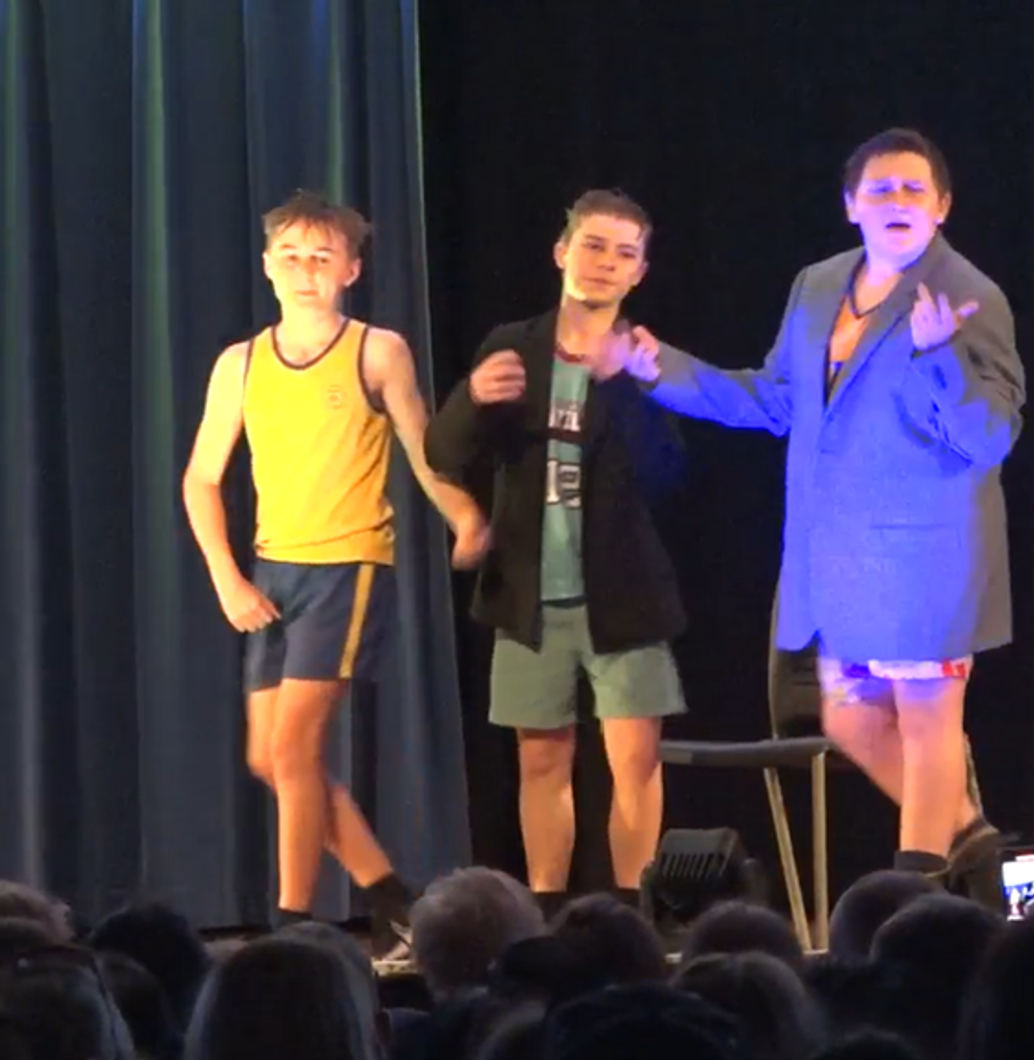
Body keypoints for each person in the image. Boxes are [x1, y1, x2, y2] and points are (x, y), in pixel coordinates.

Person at [621, 129, 1025, 886]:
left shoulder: (969, 294)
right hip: (839, 560)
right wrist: (661, 371)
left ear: (941, 206)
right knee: (847, 718)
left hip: (927, 556)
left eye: (914, 189)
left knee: (928, 721)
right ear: (851, 206)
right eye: (881, 189)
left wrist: (939, 355)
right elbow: (777, 400)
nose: (898, 201)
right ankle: (975, 843)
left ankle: (913, 895)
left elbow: (991, 436)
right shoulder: (818, 285)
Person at [182, 189, 490, 957]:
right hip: (271, 572)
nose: (304, 271)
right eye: (290, 256)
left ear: (350, 269)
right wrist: (227, 577)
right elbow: (201, 479)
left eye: (321, 258)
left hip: (346, 566)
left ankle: (293, 927)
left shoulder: (376, 351)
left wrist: (464, 517)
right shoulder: (241, 363)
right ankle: (395, 902)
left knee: (295, 752)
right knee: (269, 758)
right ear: (266, 265)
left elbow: (422, 448)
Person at [424, 189, 687, 916]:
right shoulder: (513, 345)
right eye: (593, 245)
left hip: (624, 595)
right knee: (541, 759)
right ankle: (544, 915)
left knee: (634, 761)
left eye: (624, 253)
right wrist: (471, 397)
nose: (606, 262)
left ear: (639, 272)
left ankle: (632, 914)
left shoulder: (645, 358)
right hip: (529, 591)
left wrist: (624, 385)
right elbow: (442, 453)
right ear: (562, 252)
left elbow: (669, 474)